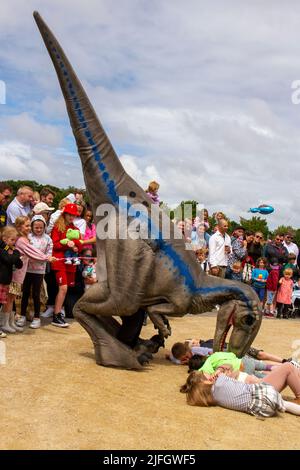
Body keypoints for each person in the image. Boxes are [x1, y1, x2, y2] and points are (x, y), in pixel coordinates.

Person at [180, 362, 300, 417]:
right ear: (204, 380)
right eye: (205, 373)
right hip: (261, 392)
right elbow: (232, 370)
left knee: (288, 374)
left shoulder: (213, 395)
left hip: (259, 407)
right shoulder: (220, 381)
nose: (208, 373)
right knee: (288, 367)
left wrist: (221, 370)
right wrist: (221, 371)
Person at [2, 216, 55, 332]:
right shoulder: (21, 240)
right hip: (15, 275)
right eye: (26, 225)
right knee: (10, 299)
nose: (28, 228)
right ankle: (5, 323)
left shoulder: (24, 238)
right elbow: (32, 252)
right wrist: (46, 257)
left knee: (12, 299)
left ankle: (10, 322)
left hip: (20, 275)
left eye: (28, 225)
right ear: (20, 227)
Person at [51, 203, 83, 327]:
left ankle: (59, 313)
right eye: (69, 214)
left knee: (66, 289)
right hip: (60, 261)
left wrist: (75, 246)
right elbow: (55, 244)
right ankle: (56, 315)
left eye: (73, 215)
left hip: (71, 263)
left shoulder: (75, 228)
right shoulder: (57, 227)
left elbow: (80, 244)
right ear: (64, 214)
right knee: (63, 288)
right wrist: (67, 244)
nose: (71, 217)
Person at [20, 215, 53, 329]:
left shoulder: (48, 239)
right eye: (36, 227)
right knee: (25, 293)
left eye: (41, 227)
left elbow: (49, 252)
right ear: (32, 227)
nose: (38, 230)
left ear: (44, 227)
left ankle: (37, 318)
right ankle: (22, 316)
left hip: (39, 271)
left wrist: (48, 257)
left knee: (36, 294)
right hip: (27, 269)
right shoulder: (28, 237)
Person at [0, 226, 23, 337]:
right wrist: (17, 254)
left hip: (6, 281)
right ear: (4, 239)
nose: (14, 243)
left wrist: (15, 255)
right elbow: (9, 260)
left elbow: (19, 264)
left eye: (15, 240)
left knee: (2, 303)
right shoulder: (2, 249)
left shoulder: (11, 250)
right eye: (12, 240)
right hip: (0, 280)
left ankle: (7, 323)